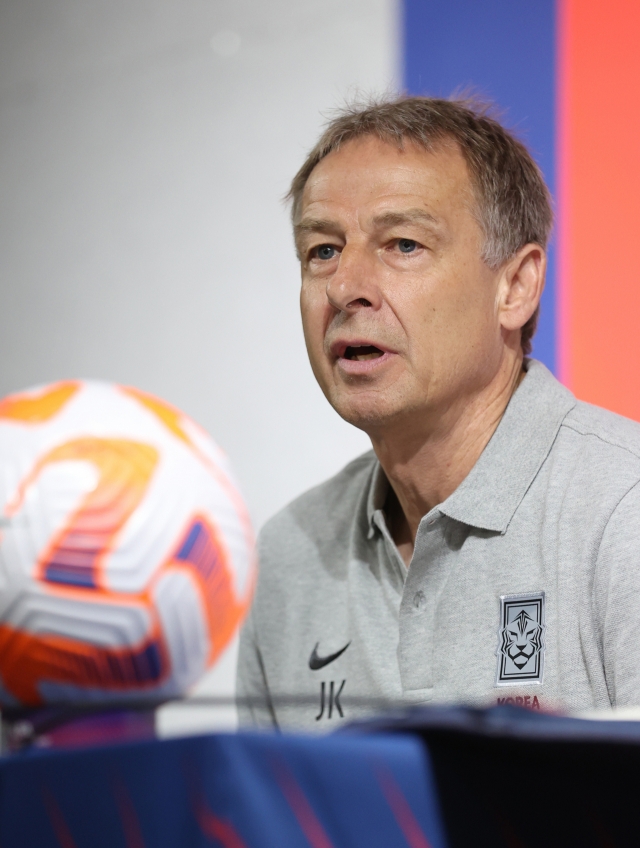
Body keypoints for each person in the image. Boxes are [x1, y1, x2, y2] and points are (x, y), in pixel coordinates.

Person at [237, 96, 640, 730]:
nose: (345, 287)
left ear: (516, 287)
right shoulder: (291, 554)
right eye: (322, 250)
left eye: (402, 244)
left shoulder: (625, 510)